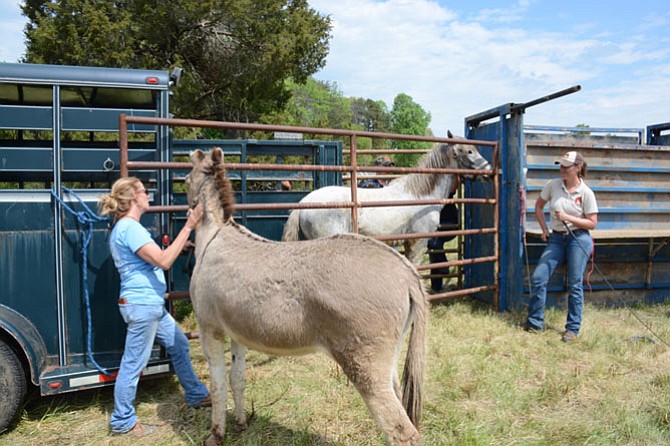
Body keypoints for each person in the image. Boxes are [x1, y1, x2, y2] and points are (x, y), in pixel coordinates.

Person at [98, 177, 210, 437]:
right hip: (143, 305)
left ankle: (195, 394)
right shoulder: (130, 228)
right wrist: (189, 226)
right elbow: (162, 261)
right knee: (133, 363)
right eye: (145, 191)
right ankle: (122, 421)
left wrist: (183, 245)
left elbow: (150, 258)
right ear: (134, 197)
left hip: (149, 304)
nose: (149, 195)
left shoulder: (125, 228)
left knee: (179, 344)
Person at [524, 151, 598, 342]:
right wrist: (544, 229)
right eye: (561, 165)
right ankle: (535, 323)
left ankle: (572, 329)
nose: (562, 169)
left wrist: (569, 218)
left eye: (566, 166)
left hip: (578, 238)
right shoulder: (552, 185)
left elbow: (592, 223)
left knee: (575, 284)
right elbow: (538, 207)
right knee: (539, 277)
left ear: (578, 168)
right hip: (556, 238)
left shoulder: (586, 193)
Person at [427, 177, 460, 292]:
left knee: (434, 243)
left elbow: (453, 188)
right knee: (434, 250)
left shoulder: (447, 177)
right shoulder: (431, 177)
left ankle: (443, 266)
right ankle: (436, 286)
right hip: (434, 218)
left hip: (448, 218)